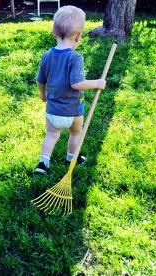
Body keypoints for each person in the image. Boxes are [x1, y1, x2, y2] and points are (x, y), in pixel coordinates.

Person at [35, 5, 106, 174]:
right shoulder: (75, 58)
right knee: (75, 134)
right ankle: (71, 158)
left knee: (51, 135)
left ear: (54, 32)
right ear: (78, 37)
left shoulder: (46, 56)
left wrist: (42, 95)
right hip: (73, 111)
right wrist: (97, 83)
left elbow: (40, 80)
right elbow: (77, 84)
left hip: (52, 110)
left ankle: (43, 164)